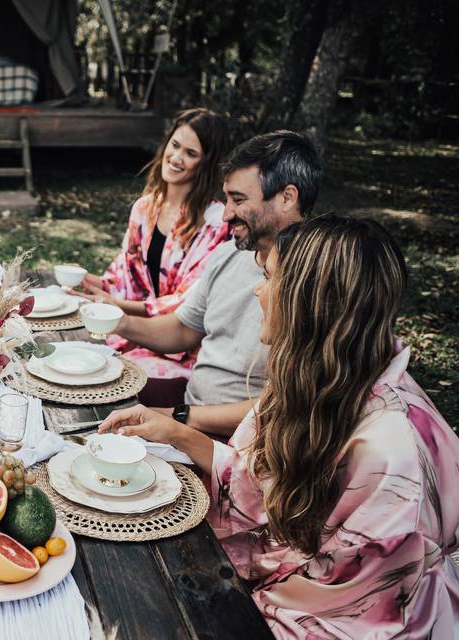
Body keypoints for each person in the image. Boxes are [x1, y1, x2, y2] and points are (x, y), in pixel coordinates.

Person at [99, 216, 459, 638]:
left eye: (269, 278)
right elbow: (269, 485)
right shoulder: (322, 374)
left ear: (310, 302)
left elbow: (353, 611)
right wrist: (179, 434)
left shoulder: (393, 455)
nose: (257, 290)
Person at [108, 130, 323, 435]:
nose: (225, 215)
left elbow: (284, 404)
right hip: (189, 404)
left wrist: (177, 417)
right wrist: (118, 322)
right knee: (82, 398)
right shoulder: (228, 254)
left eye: (238, 200)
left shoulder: (316, 280)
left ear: (287, 197)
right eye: (226, 199)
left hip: (235, 438)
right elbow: (183, 330)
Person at [74, 108, 230, 404]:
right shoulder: (145, 208)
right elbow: (123, 276)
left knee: (100, 378)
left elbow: (189, 303)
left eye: (190, 153)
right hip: (136, 335)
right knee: (73, 353)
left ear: (206, 164)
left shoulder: (216, 221)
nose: (176, 158)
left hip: (181, 348)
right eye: (175, 145)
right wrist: (84, 283)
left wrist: (116, 307)